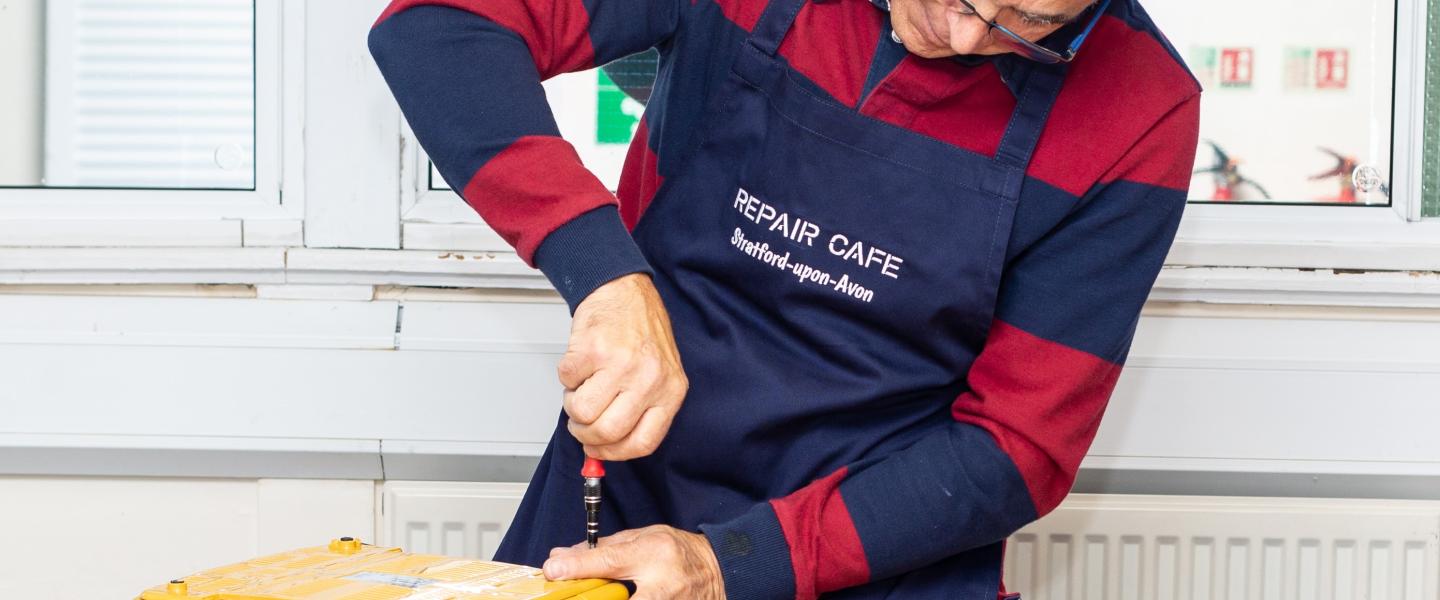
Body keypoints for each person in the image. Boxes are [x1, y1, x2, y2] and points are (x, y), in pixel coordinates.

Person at [369, 0, 1200, 596]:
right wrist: (604, 274)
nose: (965, 34)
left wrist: (726, 563)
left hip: (883, 549)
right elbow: (437, 26)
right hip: (620, 510)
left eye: (1033, 24)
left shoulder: (1140, 106)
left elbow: (1017, 450)